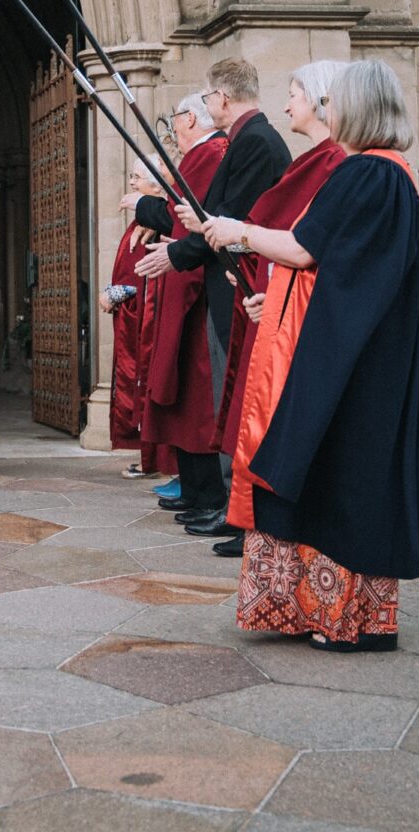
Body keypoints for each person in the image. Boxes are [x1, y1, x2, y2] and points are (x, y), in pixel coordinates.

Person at [204, 60, 419, 652]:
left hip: (352, 365)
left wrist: (234, 230)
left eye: (332, 101)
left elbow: (300, 248)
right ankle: (366, 620)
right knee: (363, 479)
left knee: (328, 474)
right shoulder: (398, 176)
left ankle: (339, 621)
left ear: (358, 109)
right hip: (377, 357)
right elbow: (344, 270)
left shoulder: (362, 173)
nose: (326, 110)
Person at [136, 57, 291, 536]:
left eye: (206, 98)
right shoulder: (247, 140)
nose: (206, 108)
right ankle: (235, 512)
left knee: (236, 397)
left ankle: (238, 512)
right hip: (232, 284)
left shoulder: (255, 142)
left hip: (241, 287)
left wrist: (179, 252)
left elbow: (230, 219)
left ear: (222, 98)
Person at [199, 59, 346, 557]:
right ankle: (250, 518)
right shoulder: (315, 158)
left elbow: (305, 246)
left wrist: (236, 232)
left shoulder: (338, 164)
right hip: (277, 299)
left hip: (302, 316)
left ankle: (260, 523)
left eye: (295, 94)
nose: (285, 105)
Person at [131, 96, 226, 517]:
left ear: (189, 119)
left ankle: (207, 494)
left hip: (196, 292)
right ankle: (193, 487)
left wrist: (142, 207)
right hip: (183, 282)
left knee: (197, 395)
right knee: (182, 391)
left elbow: (183, 217)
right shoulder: (206, 153)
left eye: (173, 123)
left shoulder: (208, 153)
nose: (172, 133)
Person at [101, 155, 168, 475]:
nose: (130, 182)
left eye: (137, 177)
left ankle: (154, 458)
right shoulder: (142, 219)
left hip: (147, 319)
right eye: (129, 175)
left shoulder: (156, 220)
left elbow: (145, 272)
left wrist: (115, 293)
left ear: (156, 184)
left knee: (147, 384)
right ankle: (147, 456)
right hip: (132, 316)